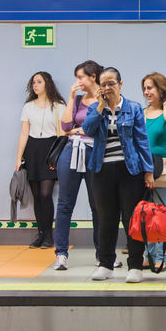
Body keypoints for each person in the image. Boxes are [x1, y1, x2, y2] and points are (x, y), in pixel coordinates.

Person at [82, 67, 154, 283]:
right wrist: (101, 107)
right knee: (106, 219)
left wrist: (148, 171)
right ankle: (106, 264)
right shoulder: (96, 108)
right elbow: (88, 129)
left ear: (120, 84)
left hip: (130, 170)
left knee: (132, 219)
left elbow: (142, 140)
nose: (107, 88)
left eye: (111, 83)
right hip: (102, 170)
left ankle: (135, 266)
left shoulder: (133, 108)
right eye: (103, 84)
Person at [53, 60, 103, 271]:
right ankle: (61, 254)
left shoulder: (104, 99)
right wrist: (72, 97)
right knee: (65, 204)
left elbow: (98, 128)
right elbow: (65, 126)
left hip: (94, 153)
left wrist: (79, 128)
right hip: (71, 152)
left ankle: (103, 254)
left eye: (81, 77)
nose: (78, 81)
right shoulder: (78, 99)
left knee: (98, 206)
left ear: (93, 77)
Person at [15, 71, 65, 249]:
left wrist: (59, 158)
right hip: (32, 150)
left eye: (39, 82)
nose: (35, 85)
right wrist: (19, 157)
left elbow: (62, 134)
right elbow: (24, 133)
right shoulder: (28, 106)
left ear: (47, 84)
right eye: (33, 83)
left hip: (50, 150)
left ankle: (49, 235)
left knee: (46, 194)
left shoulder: (59, 106)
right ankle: (41, 234)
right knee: (36, 195)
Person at [141, 72, 166, 270]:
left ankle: (161, 257)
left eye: (151, 88)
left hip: (162, 169)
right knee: (145, 214)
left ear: (161, 90)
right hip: (142, 167)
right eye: (145, 88)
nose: (146, 92)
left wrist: (165, 103)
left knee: (160, 214)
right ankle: (148, 254)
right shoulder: (141, 113)